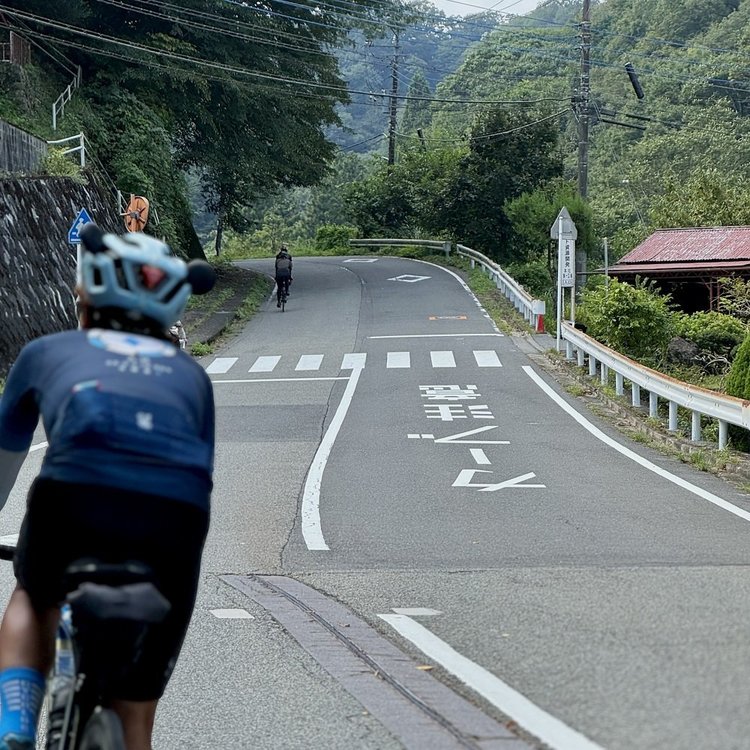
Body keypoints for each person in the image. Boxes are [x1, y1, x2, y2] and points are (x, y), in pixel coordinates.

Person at [0, 224, 216, 750]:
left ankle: (16, 729)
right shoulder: (192, 376)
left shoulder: (46, 352)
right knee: (136, 714)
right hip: (175, 523)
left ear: (86, 298)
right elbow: (199, 479)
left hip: (74, 499)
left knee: (35, 592)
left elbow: (4, 456)